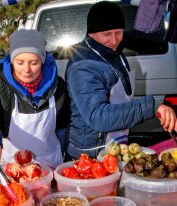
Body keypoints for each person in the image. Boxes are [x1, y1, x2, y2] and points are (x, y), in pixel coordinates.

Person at [65, 1, 177, 160]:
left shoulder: (112, 53)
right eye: (107, 34)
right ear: (91, 32)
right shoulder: (83, 66)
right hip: (91, 156)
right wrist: (152, 106)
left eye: (118, 32)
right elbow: (98, 117)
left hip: (114, 145)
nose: (114, 40)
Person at [0, 29, 70, 170]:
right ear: (12, 61)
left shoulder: (58, 86)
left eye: (34, 63)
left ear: (43, 60)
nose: (26, 70)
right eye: (20, 62)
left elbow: (63, 129)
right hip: (13, 170)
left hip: (50, 167)